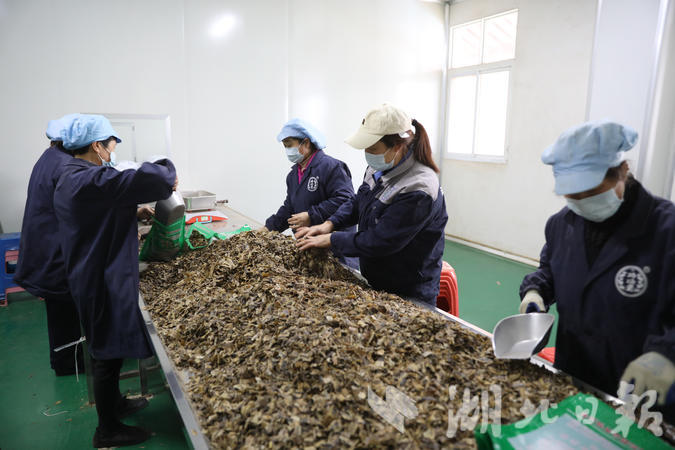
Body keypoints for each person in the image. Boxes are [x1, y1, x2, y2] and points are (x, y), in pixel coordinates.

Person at [519, 121, 675, 413]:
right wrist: (536, 291)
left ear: (623, 171)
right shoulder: (561, 225)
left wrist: (667, 353)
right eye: (572, 195)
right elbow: (550, 270)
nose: (581, 203)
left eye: (590, 191)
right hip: (573, 378)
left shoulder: (666, 231)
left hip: (640, 394)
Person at [53, 114, 177, 448]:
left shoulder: (70, 174)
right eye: (110, 146)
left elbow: (97, 212)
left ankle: (116, 405)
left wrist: (131, 212)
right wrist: (166, 170)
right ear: (96, 146)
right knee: (106, 352)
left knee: (108, 346)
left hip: (89, 270)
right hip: (99, 276)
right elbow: (156, 179)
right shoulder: (91, 179)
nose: (111, 153)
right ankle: (107, 430)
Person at [14, 115, 154, 376]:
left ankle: (72, 360)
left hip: (48, 247)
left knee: (61, 312)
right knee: (64, 314)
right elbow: (83, 209)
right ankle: (73, 364)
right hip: (57, 252)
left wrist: (131, 213)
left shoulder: (50, 159)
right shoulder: (65, 167)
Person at [296, 104, 448, 306]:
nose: (368, 154)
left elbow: (381, 240)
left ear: (397, 146)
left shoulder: (419, 188)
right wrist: (329, 224)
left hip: (409, 288)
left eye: (373, 149)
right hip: (379, 279)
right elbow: (358, 201)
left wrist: (331, 239)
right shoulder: (379, 167)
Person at [264, 118, 358, 268]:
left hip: (336, 253)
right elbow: (290, 208)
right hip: (310, 250)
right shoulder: (293, 175)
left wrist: (311, 215)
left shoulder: (332, 167)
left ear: (306, 143)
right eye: (285, 146)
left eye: (289, 145)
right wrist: (268, 228)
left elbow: (346, 200)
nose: (288, 151)